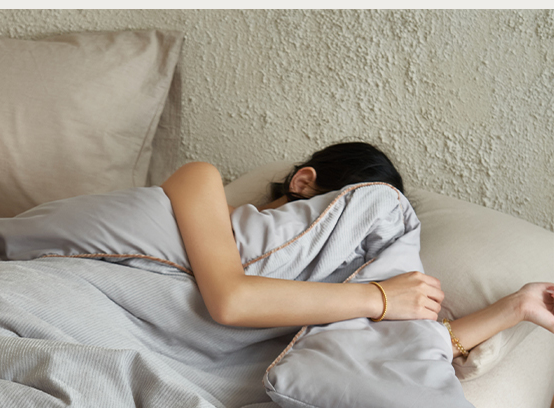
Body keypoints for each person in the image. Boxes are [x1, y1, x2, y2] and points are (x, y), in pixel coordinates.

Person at [161, 142, 554, 358]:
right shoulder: (199, 179)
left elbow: (398, 351)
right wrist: (380, 297)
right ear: (303, 182)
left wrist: (518, 307)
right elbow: (231, 300)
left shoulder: (326, 295)